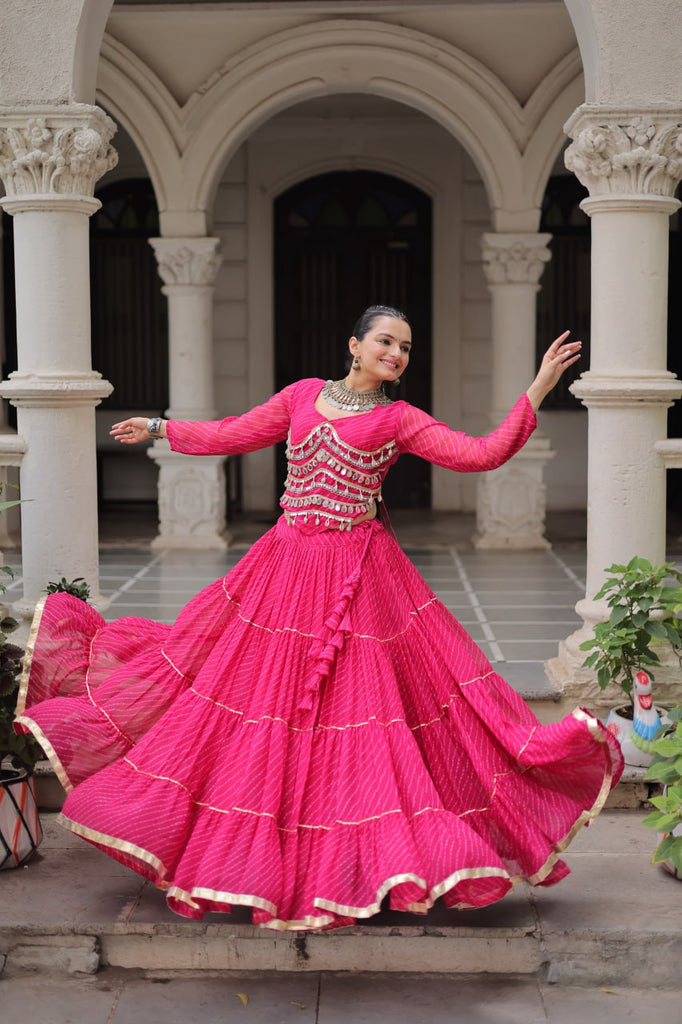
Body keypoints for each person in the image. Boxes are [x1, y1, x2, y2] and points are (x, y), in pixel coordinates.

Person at [15, 305, 623, 931]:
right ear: (355, 345)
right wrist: (162, 428)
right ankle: (245, 854)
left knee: (359, 712)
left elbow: (483, 454)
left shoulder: (399, 418)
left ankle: (363, 858)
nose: (396, 353)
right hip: (283, 569)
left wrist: (539, 386)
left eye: (406, 347)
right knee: (251, 700)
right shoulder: (303, 396)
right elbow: (234, 431)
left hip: (360, 578)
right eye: (386, 341)